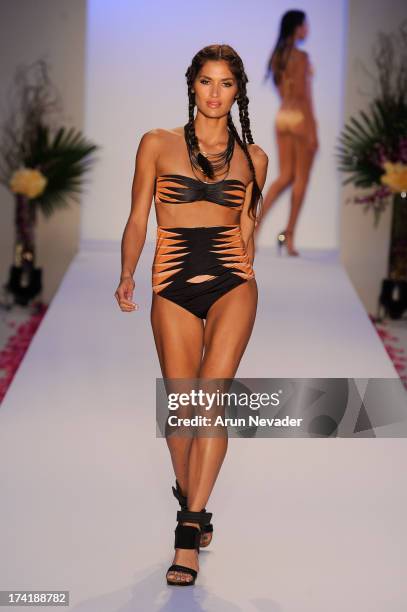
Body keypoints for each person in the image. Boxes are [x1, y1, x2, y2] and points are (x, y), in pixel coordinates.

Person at [114, 44, 268, 586]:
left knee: (211, 396)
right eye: (207, 81)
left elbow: (248, 228)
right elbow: (138, 216)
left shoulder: (255, 157)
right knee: (182, 408)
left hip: (232, 284)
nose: (215, 93)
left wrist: (248, 266)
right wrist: (128, 272)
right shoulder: (156, 144)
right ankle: (193, 495)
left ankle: (187, 532)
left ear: (238, 91)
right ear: (192, 85)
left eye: (226, 84)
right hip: (171, 284)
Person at [255, 9, 318, 256]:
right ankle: (289, 236)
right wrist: (312, 130)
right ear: (297, 27)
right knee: (301, 177)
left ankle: (255, 226)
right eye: (305, 25)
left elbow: (284, 91)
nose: (308, 30)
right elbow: (304, 96)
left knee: (285, 176)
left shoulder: (277, 56)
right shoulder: (301, 57)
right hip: (300, 117)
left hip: (282, 117)